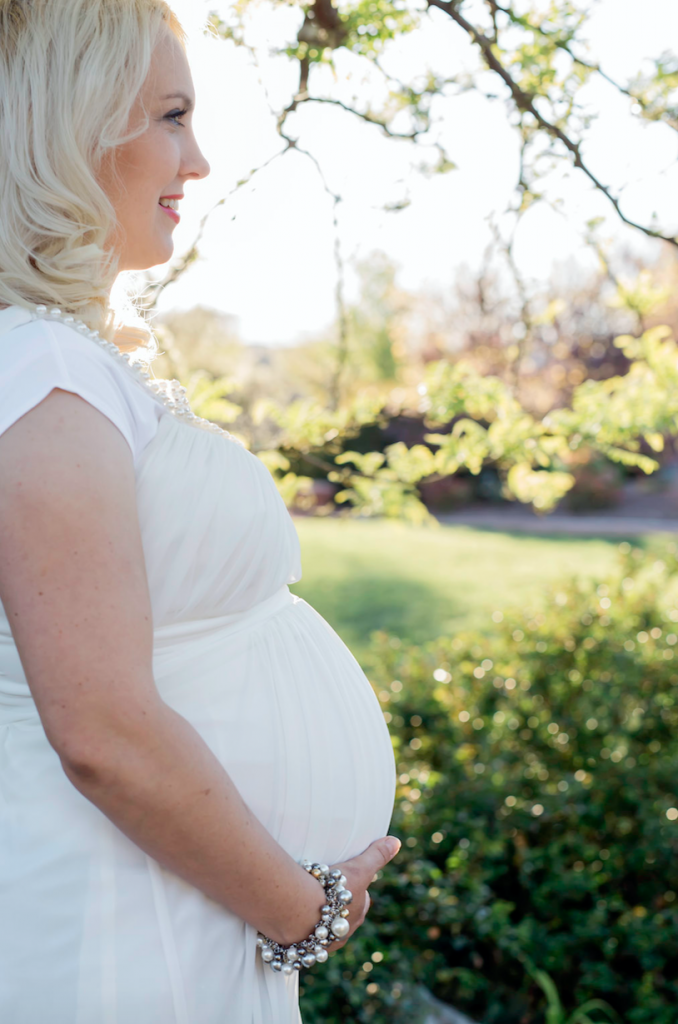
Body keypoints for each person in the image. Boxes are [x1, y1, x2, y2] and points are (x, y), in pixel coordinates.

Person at [0, 2, 398, 1022]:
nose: (201, 161)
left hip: (164, 914)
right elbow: (101, 729)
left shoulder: (59, 358)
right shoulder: (39, 369)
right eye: (172, 116)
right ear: (64, 125)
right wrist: (301, 905)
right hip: (123, 933)